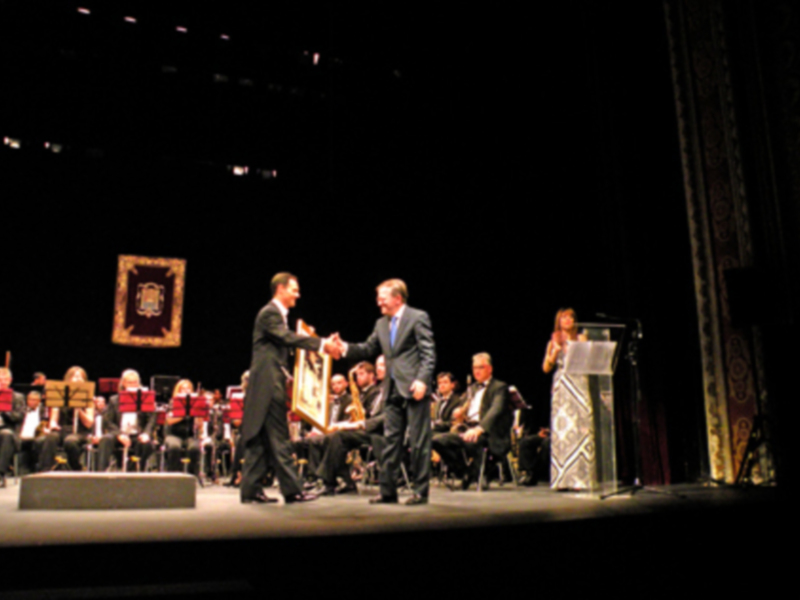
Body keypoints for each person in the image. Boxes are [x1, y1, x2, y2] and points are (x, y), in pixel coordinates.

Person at [240, 272, 342, 504]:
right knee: (279, 437)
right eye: (294, 289)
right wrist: (321, 344)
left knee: (263, 439)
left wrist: (306, 337)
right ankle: (293, 490)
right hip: (268, 386)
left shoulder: (276, 316)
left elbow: (284, 342)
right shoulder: (270, 313)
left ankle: (250, 490)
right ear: (280, 289)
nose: (298, 294)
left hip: (267, 385)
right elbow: (286, 338)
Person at [339, 278, 436, 505]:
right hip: (391, 389)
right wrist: (344, 348)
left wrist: (422, 380)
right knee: (390, 441)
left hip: (414, 388)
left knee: (419, 441)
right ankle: (388, 492)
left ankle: (421, 492)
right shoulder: (381, 324)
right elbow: (368, 347)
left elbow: (428, 353)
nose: (378, 302)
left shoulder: (418, 317)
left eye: (382, 298)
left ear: (397, 298)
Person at [431, 353, 511, 489]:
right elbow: (464, 413)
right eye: (474, 368)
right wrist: (461, 414)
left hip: (489, 433)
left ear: (489, 369)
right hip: (468, 430)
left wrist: (480, 428)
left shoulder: (500, 387)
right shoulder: (472, 388)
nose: (477, 371)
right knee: (437, 441)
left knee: (474, 442)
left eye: (480, 367)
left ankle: (480, 472)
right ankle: (466, 472)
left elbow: (495, 411)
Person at [543, 308, 593, 491]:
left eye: (571, 316)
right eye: (564, 317)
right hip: (562, 387)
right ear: (559, 320)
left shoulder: (581, 338)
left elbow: (588, 361)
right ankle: (562, 479)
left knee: (581, 429)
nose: (568, 319)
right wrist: (555, 351)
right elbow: (546, 368)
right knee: (563, 433)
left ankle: (580, 479)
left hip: (579, 384)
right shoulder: (553, 341)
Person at [0, 367, 25, 486]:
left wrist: (5, 410)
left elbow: (19, 417)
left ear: (9, 380)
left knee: (6, 435)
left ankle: (0, 474)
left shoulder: (18, 397)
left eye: (3, 380)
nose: (1, 383)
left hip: (9, 433)